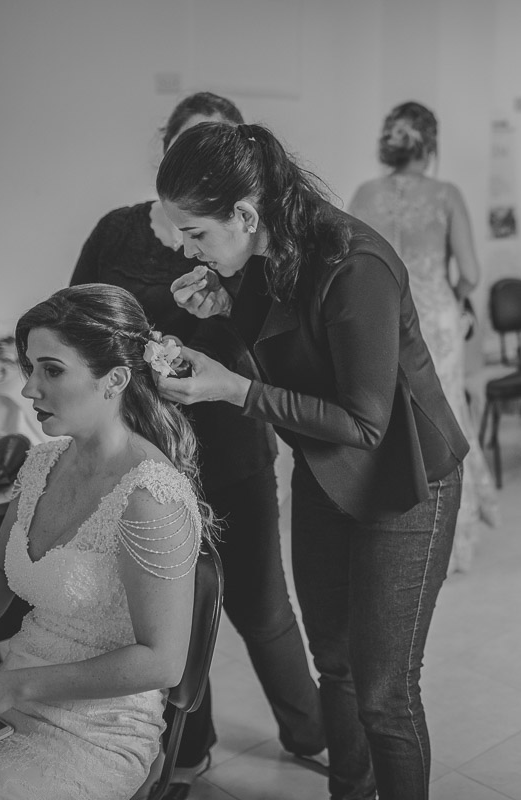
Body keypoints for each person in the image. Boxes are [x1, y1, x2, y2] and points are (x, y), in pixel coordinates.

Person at [155, 121, 467, 800]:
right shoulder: (264, 256)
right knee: (336, 666)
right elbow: (294, 360)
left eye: (196, 233)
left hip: (407, 479)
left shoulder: (357, 265)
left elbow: (363, 422)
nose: (186, 248)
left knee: (385, 693)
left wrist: (230, 387)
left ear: (244, 213)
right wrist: (227, 311)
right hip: (326, 474)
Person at [70, 91, 328, 796]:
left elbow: (266, 349)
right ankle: (191, 744)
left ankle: (310, 730)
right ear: (169, 148)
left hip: (235, 444)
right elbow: (81, 319)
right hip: (148, 454)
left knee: (260, 604)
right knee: (166, 607)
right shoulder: (119, 231)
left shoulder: (246, 241)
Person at [0, 285, 207, 799]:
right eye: (29, 368)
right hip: (7, 691)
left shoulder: (150, 496)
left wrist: (12, 684)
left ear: (113, 379)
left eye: (52, 370)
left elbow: (162, 662)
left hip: (97, 729)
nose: (29, 390)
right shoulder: (43, 462)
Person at [348, 101, 497, 574]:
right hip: (434, 318)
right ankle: (449, 534)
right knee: (442, 416)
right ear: (429, 145)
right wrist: (452, 293)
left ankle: (388, 530)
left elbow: (347, 264)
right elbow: (471, 271)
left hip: (380, 318)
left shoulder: (365, 193)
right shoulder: (446, 194)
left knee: (385, 418)